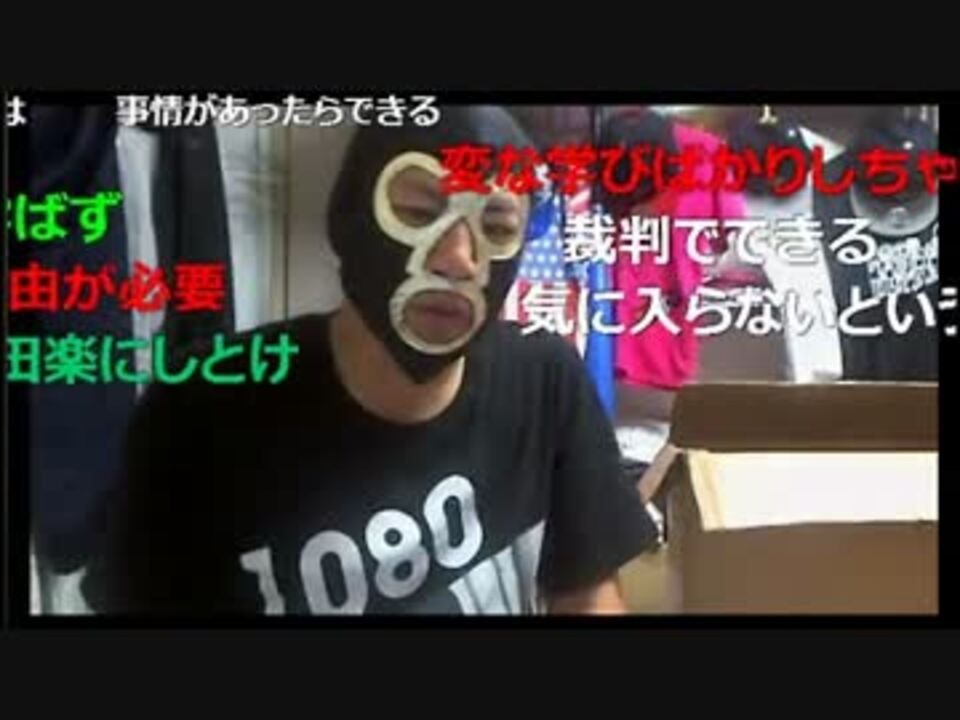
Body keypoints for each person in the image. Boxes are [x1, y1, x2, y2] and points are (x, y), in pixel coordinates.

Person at [81, 106, 658, 615]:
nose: (459, 258)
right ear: (349, 215)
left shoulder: (546, 381)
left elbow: (589, 596)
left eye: (497, 226)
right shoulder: (197, 412)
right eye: (418, 209)